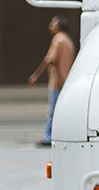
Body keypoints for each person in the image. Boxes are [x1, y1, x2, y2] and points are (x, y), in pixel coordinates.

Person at [27, 15, 76, 147]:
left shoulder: (58, 39)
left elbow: (50, 59)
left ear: (59, 26)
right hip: (66, 81)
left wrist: (35, 76)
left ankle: (48, 137)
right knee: (63, 111)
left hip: (57, 82)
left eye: (53, 23)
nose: (50, 26)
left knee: (52, 112)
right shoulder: (67, 40)